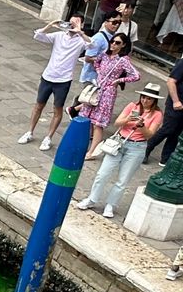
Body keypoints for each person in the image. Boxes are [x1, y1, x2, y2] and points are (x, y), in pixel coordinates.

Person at [77, 83, 163, 218]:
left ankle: (111, 204)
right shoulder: (132, 106)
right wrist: (130, 119)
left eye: (149, 99)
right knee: (102, 173)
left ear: (154, 101)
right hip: (119, 142)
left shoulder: (157, 114)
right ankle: (92, 199)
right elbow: (117, 122)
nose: (145, 101)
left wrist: (141, 126)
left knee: (123, 180)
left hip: (137, 147)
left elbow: (150, 135)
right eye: (143, 97)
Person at [19, 16, 90, 153]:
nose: (71, 25)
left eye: (75, 22)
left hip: (63, 80)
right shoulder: (59, 35)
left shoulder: (81, 41)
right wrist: (52, 24)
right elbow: (38, 35)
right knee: (39, 105)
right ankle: (30, 131)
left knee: (57, 109)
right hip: (48, 76)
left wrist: (79, 30)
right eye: (70, 22)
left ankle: (48, 137)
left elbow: (92, 45)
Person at [76, 33, 141, 159]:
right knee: (87, 117)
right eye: (112, 41)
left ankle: (92, 151)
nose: (113, 45)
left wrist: (119, 81)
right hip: (97, 88)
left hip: (108, 93)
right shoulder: (105, 55)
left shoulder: (123, 60)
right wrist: (99, 72)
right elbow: (96, 62)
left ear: (123, 45)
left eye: (117, 43)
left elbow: (136, 75)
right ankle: (83, 146)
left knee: (98, 123)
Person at [71, 13, 119, 119]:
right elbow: (88, 57)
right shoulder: (99, 38)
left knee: (93, 100)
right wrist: (105, 63)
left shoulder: (114, 37)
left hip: (101, 77)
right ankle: (75, 110)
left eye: (119, 23)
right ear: (106, 22)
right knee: (91, 100)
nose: (116, 25)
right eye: (114, 22)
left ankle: (77, 109)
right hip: (91, 76)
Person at [146, 56, 183, 164]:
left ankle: (165, 158)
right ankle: (147, 148)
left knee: (176, 133)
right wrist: (176, 101)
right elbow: (171, 81)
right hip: (176, 103)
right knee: (168, 129)